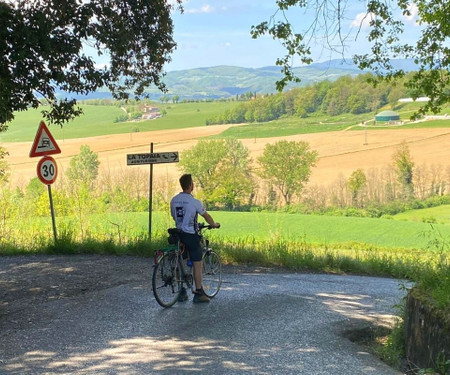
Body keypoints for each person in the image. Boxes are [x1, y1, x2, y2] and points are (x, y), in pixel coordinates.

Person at [170, 174, 220, 303]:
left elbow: (174, 216)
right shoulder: (194, 201)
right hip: (190, 235)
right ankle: (199, 292)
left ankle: (181, 291)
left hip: (177, 233)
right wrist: (214, 224)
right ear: (191, 185)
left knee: (179, 259)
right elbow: (206, 216)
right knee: (197, 262)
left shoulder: (174, 200)